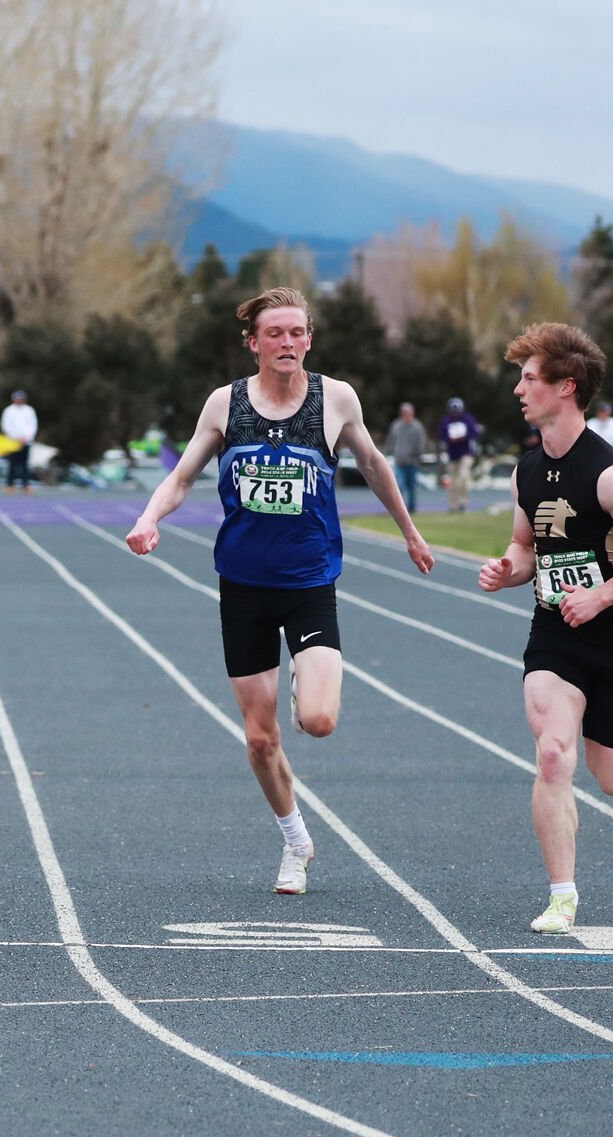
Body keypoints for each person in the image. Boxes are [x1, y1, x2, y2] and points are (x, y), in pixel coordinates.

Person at [125, 287, 433, 894]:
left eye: (297, 333)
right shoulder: (225, 403)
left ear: (309, 339)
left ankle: (304, 679)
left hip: (310, 581)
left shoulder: (335, 399)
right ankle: (295, 841)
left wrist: (411, 533)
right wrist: (149, 518)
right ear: (254, 342)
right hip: (243, 586)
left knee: (316, 722)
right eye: (275, 334)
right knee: (261, 739)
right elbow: (183, 474)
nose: (287, 343)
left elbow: (374, 464)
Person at [477, 323, 613, 934]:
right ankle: (562, 895)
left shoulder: (612, 475)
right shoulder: (527, 471)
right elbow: (525, 545)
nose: (518, 389)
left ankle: (597, 727)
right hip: (554, 637)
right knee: (553, 754)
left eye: (529, 378)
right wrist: (506, 569)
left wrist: (602, 595)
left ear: (567, 388)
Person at [438, 396, 480, 512]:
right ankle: (453, 505)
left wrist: (463, 438)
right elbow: (441, 436)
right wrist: (450, 439)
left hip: (466, 452)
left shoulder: (467, 419)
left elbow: (474, 433)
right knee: (452, 481)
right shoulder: (446, 421)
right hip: (452, 454)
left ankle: (463, 502)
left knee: (463, 476)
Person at [386, 401, 426, 514]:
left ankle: (412, 507)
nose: (405, 415)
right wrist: (389, 451)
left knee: (412, 486)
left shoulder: (417, 427)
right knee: (399, 485)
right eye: (404, 412)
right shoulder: (396, 426)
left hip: (412, 462)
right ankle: (400, 508)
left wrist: (417, 455)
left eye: (407, 412)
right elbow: (391, 440)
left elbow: (421, 442)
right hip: (399, 461)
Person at [0, 388, 38, 493]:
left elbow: (33, 425)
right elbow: (6, 426)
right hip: (13, 441)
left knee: (25, 464)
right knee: (12, 464)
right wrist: (16, 437)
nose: (19, 401)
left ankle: (25, 485)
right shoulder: (8, 411)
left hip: (26, 441)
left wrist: (27, 437)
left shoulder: (29, 410)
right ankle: (10, 485)